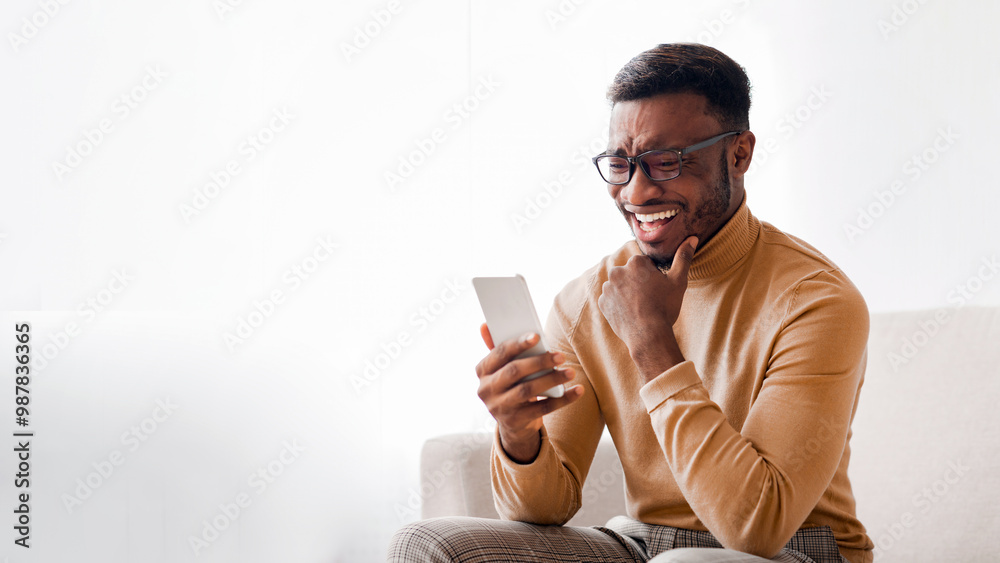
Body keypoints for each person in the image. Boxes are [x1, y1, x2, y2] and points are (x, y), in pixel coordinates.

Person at [388, 43, 873, 563]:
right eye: (621, 164)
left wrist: (651, 341)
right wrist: (518, 433)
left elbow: (757, 525)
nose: (635, 193)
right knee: (428, 545)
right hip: (644, 546)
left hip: (795, 551)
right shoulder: (587, 301)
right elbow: (544, 509)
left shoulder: (816, 300)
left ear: (740, 154)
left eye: (666, 163)